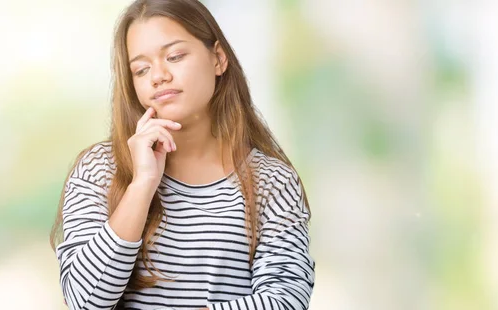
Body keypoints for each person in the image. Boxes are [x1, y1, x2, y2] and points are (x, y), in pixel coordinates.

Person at [49, 0, 315, 309]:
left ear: (218, 58)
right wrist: (142, 185)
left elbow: (287, 299)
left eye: (174, 56)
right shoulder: (98, 170)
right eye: (141, 69)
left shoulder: (272, 181)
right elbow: (84, 302)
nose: (158, 76)